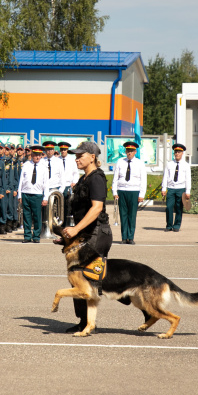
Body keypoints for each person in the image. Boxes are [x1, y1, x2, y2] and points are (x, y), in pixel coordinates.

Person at [59, 141, 114, 333]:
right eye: (76, 155)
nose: (77, 158)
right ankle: (84, 321)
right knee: (82, 277)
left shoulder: (96, 178)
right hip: (85, 233)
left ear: (92, 157)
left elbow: (97, 208)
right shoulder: (84, 179)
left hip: (97, 233)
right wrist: (69, 236)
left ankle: (87, 322)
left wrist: (75, 230)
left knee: (87, 277)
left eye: (80, 155)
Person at [112, 141, 147, 244]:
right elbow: (115, 177)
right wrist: (115, 191)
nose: (129, 153)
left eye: (131, 151)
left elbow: (143, 180)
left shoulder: (140, 163)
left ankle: (130, 237)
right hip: (122, 190)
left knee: (132, 215)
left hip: (134, 191)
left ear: (135, 152)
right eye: (128, 151)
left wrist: (141, 195)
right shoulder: (120, 161)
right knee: (123, 214)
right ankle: (124, 237)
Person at [17, 145, 49, 243]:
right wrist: (19, 195)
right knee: (26, 216)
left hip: (37, 194)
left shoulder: (44, 167)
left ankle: (36, 236)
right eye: (35, 155)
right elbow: (21, 180)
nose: (37, 157)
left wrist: (45, 197)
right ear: (32, 154)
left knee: (37, 216)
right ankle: (27, 236)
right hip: (26, 193)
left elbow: (46, 183)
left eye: (39, 155)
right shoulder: (26, 165)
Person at [161, 143, 191, 232]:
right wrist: (163, 188)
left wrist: (188, 191)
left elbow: (188, 178)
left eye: (179, 152)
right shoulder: (169, 164)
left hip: (181, 189)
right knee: (169, 207)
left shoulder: (186, 165)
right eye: (176, 152)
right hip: (171, 188)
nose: (177, 153)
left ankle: (177, 225)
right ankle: (169, 225)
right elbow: (165, 176)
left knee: (179, 207)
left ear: (182, 153)